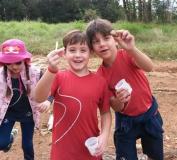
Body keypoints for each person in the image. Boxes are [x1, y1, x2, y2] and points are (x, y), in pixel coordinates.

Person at [86, 18, 164, 160]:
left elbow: (149, 67)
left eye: (106, 38)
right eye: (96, 41)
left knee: (155, 156)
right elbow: (115, 106)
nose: (102, 44)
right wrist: (119, 100)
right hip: (126, 122)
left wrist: (132, 48)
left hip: (149, 115)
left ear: (115, 40)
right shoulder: (100, 76)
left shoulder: (127, 55)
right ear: (92, 49)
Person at [34, 30, 111, 160]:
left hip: (90, 148)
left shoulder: (100, 82)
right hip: (62, 150)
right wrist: (51, 69)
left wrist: (104, 135)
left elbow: (105, 112)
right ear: (64, 53)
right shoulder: (58, 77)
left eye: (83, 50)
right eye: (72, 50)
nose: (77, 55)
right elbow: (39, 97)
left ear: (90, 53)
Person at [0, 39, 51, 160]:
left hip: (28, 113)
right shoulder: (1, 74)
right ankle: (11, 137)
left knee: (27, 145)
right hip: (8, 112)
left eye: (17, 62)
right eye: (9, 63)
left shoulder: (36, 72)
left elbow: (52, 86)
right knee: (2, 143)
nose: (13, 66)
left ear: (25, 60)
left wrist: (47, 100)